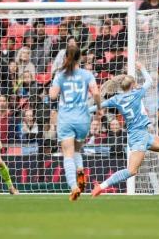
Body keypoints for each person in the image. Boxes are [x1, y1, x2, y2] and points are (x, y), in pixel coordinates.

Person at [90, 62, 159, 197]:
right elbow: (149, 80)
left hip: (142, 134)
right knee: (131, 171)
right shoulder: (137, 93)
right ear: (132, 85)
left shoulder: (116, 99)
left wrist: (85, 111)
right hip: (139, 137)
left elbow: (97, 107)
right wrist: (142, 68)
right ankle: (101, 186)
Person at [49, 45, 102, 201]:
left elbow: (52, 96)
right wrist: (99, 109)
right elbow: (96, 93)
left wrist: (55, 84)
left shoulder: (61, 75)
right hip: (83, 119)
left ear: (66, 58)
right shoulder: (87, 74)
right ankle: (80, 173)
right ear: (81, 58)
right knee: (77, 151)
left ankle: (74, 187)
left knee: (68, 154)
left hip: (66, 119)